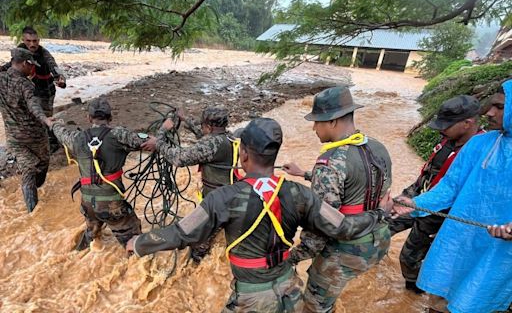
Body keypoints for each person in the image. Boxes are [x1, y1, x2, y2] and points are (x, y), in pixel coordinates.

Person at [127, 117, 393, 313]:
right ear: (274, 153)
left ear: (243, 155)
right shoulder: (300, 194)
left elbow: (180, 233)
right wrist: (379, 213)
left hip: (251, 299)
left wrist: (138, 243)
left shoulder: (224, 198)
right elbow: (343, 226)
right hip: (291, 291)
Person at [392, 81, 512, 313]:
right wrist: (415, 203)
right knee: (439, 301)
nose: (489, 113)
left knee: (481, 301)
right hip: (457, 241)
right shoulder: (480, 143)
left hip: (500, 254)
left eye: (500, 107)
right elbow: (449, 187)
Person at [282, 85, 392, 313]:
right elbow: (365, 186)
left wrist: (291, 259)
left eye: (317, 122)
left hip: (347, 250)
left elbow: (321, 228)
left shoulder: (330, 162)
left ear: (332, 121)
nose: (313, 128)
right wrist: (304, 173)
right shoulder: (377, 147)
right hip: (379, 241)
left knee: (315, 306)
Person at [388, 95, 482, 294]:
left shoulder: (482, 152)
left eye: (446, 124)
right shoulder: (449, 138)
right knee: (383, 224)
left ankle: (415, 291)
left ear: (467, 123)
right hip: (419, 193)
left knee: (409, 257)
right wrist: (409, 195)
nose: (441, 129)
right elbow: (431, 171)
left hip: (440, 213)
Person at [48, 97, 154, 250]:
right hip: (111, 204)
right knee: (133, 243)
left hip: (88, 203)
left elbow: (60, 132)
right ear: (110, 118)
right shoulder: (119, 135)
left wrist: (52, 123)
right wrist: (164, 129)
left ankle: (78, 255)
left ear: (89, 118)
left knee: (91, 235)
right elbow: (148, 141)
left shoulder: (77, 138)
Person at [143, 106, 238, 263]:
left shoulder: (210, 145)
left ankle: (197, 263)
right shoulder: (228, 137)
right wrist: (185, 118)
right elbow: (205, 137)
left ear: (208, 126)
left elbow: (179, 158)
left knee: (199, 237)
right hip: (228, 195)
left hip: (216, 201)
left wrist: (160, 137)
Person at [0, 48, 53, 212]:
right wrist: (45, 119)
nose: (33, 69)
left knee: (41, 166)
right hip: (25, 139)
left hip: (25, 139)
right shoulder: (25, 84)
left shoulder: (1, 78)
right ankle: (34, 213)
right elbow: (33, 104)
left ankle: (35, 191)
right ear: (24, 63)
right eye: (31, 65)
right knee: (30, 168)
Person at [1, 27, 66, 152]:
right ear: (23, 40)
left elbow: (54, 66)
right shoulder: (20, 52)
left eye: (35, 41)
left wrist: (61, 79)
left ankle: (52, 143)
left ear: (38, 40)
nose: (32, 44)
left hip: (46, 90)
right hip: (28, 89)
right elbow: (10, 66)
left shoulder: (44, 53)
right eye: (29, 41)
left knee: (46, 118)